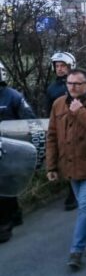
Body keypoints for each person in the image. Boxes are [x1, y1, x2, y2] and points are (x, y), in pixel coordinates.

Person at [46, 68, 86, 270]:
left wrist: (80, 112)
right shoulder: (58, 104)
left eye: (77, 83)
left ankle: (76, 251)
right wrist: (51, 165)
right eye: (69, 83)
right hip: (70, 165)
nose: (72, 87)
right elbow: (52, 136)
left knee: (84, 207)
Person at [0, 61, 36, 243]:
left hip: (11, 147)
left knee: (4, 183)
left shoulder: (13, 96)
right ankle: (15, 213)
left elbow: (29, 119)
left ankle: (4, 225)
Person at [46, 52, 79, 210]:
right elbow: (49, 112)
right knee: (66, 159)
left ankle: (78, 191)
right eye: (57, 66)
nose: (59, 69)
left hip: (80, 125)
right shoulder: (52, 88)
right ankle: (72, 190)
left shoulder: (79, 82)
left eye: (62, 66)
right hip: (61, 129)